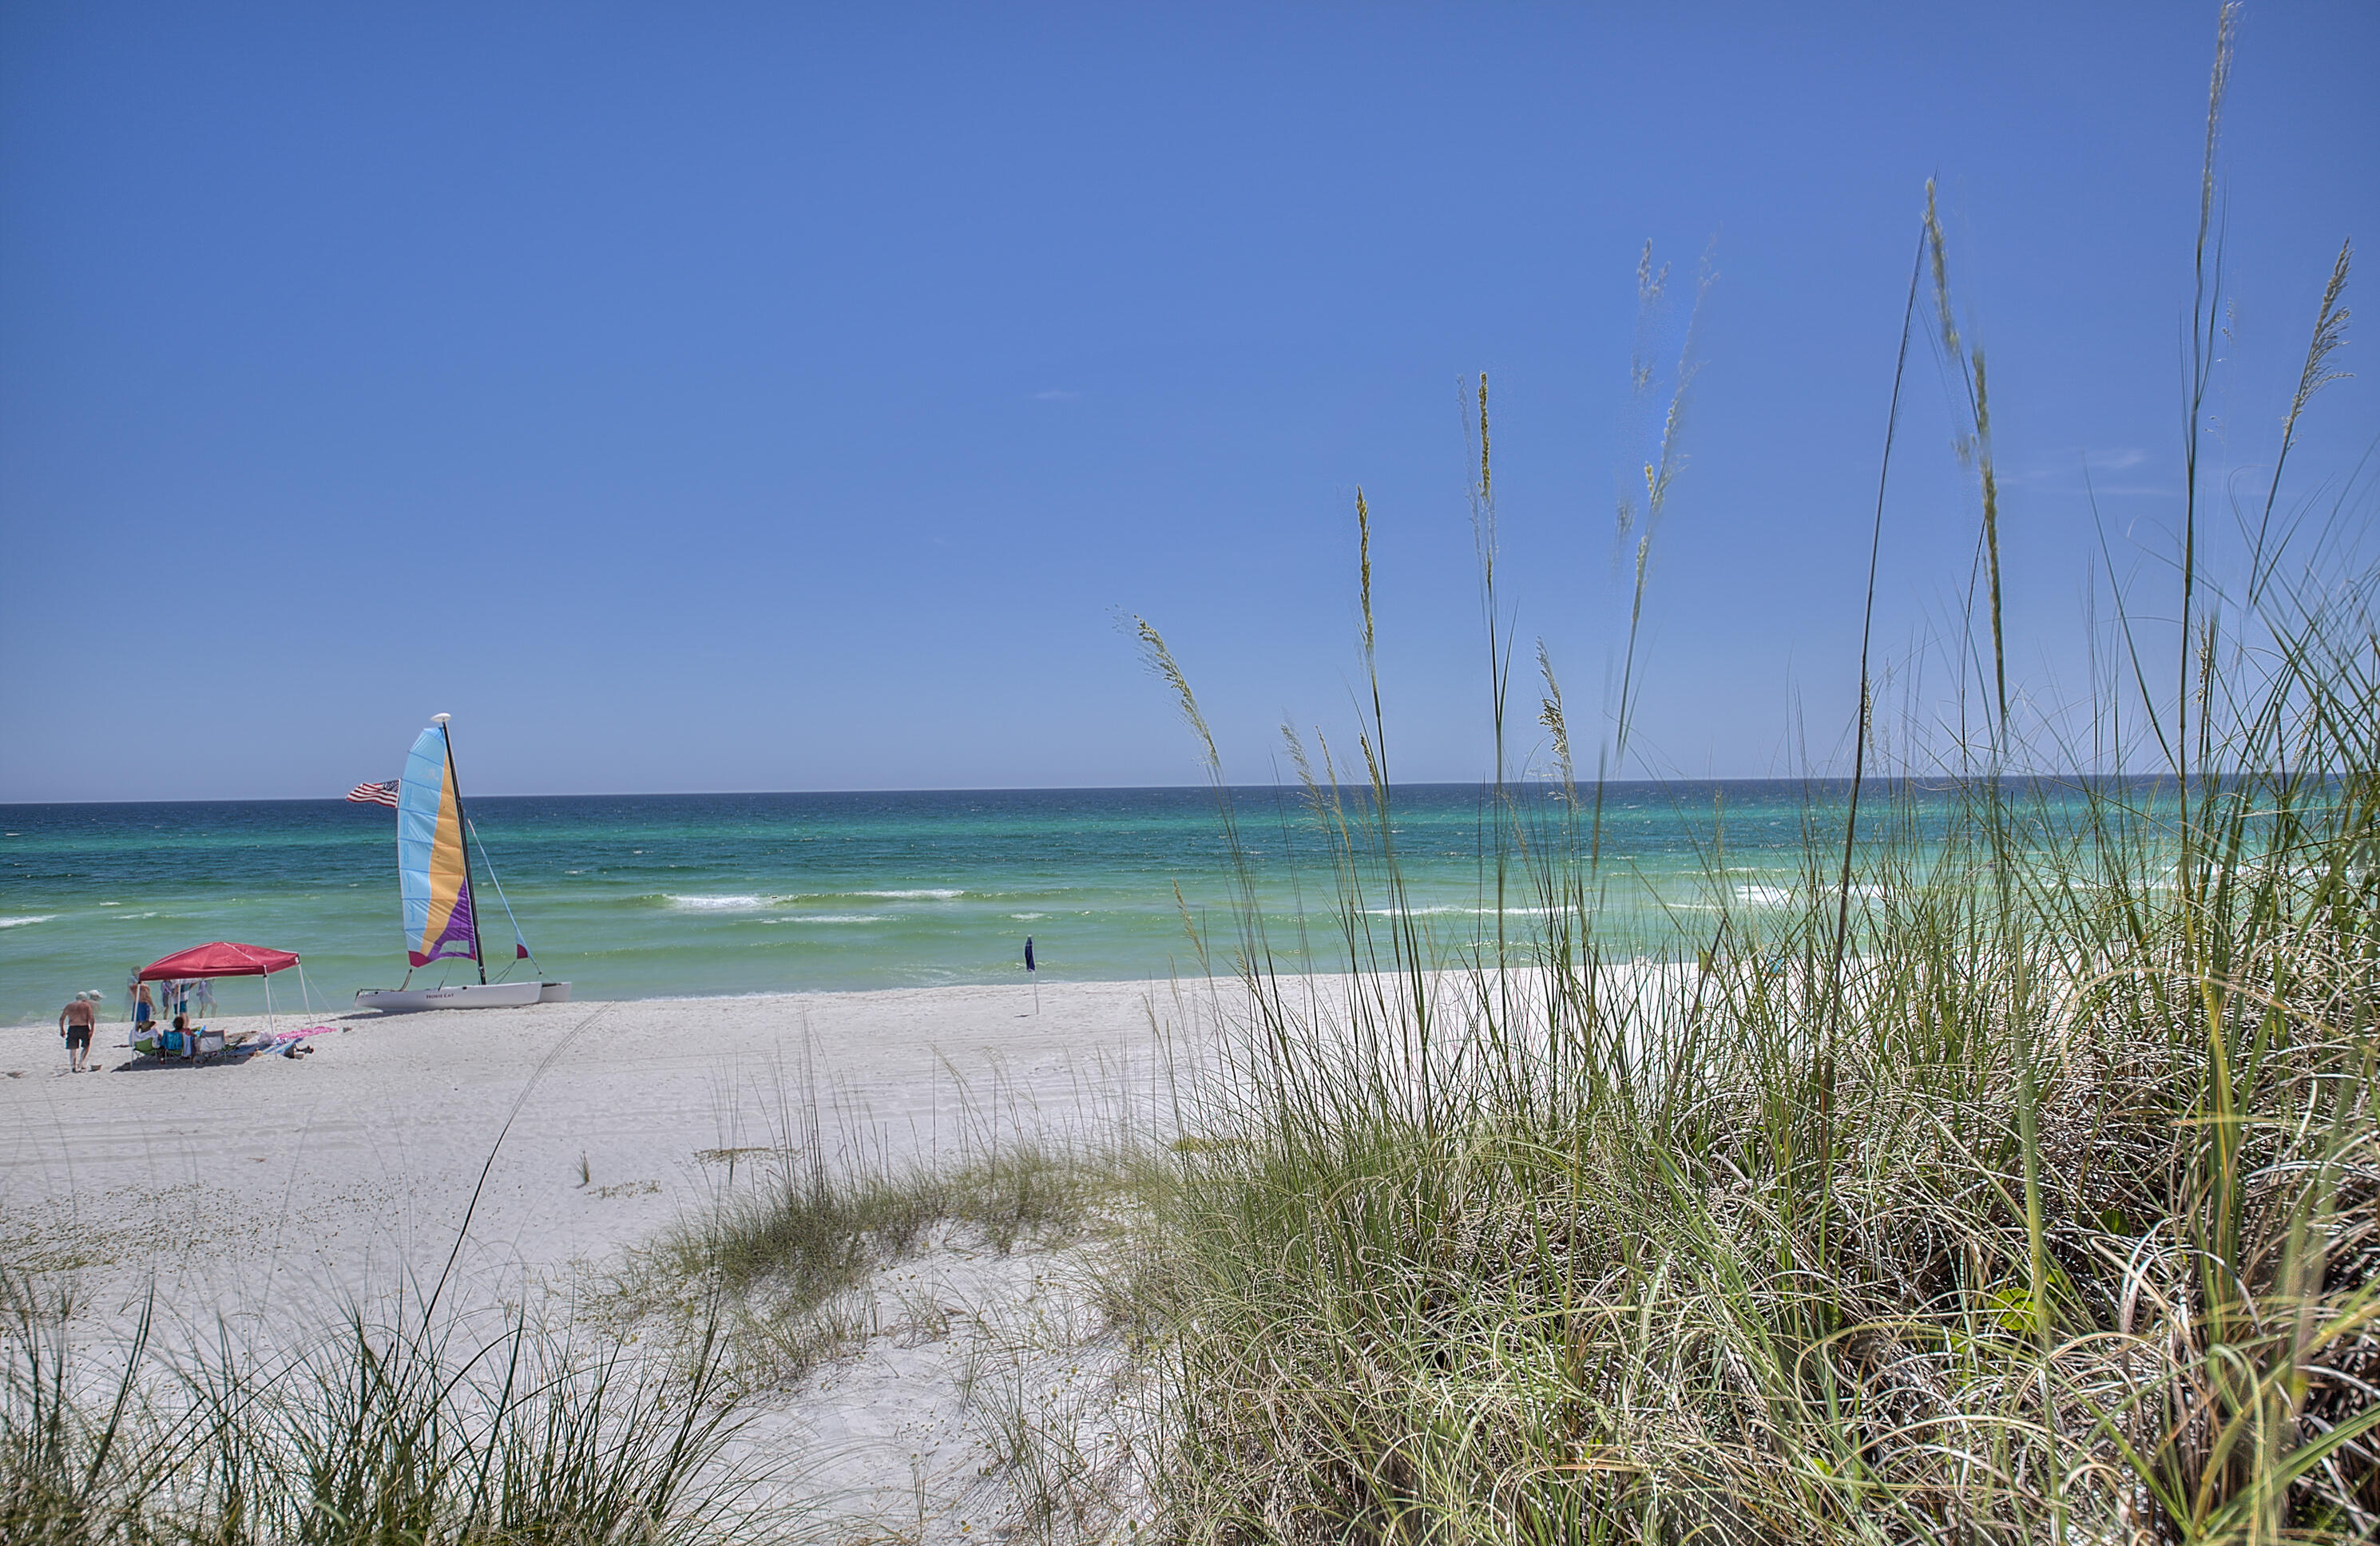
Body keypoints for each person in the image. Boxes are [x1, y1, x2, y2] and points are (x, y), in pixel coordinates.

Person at [58, 991, 97, 1073]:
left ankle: (73, 1066)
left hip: (72, 1028)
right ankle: (81, 1063)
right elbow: (91, 1018)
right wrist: (92, 1030)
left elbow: (62, 1019)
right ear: (85, 999)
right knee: (86, 1046)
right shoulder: (86, 1005)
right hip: (84, 1027)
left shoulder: (69, 1006)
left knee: (73, 1048)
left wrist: (62, 1029)